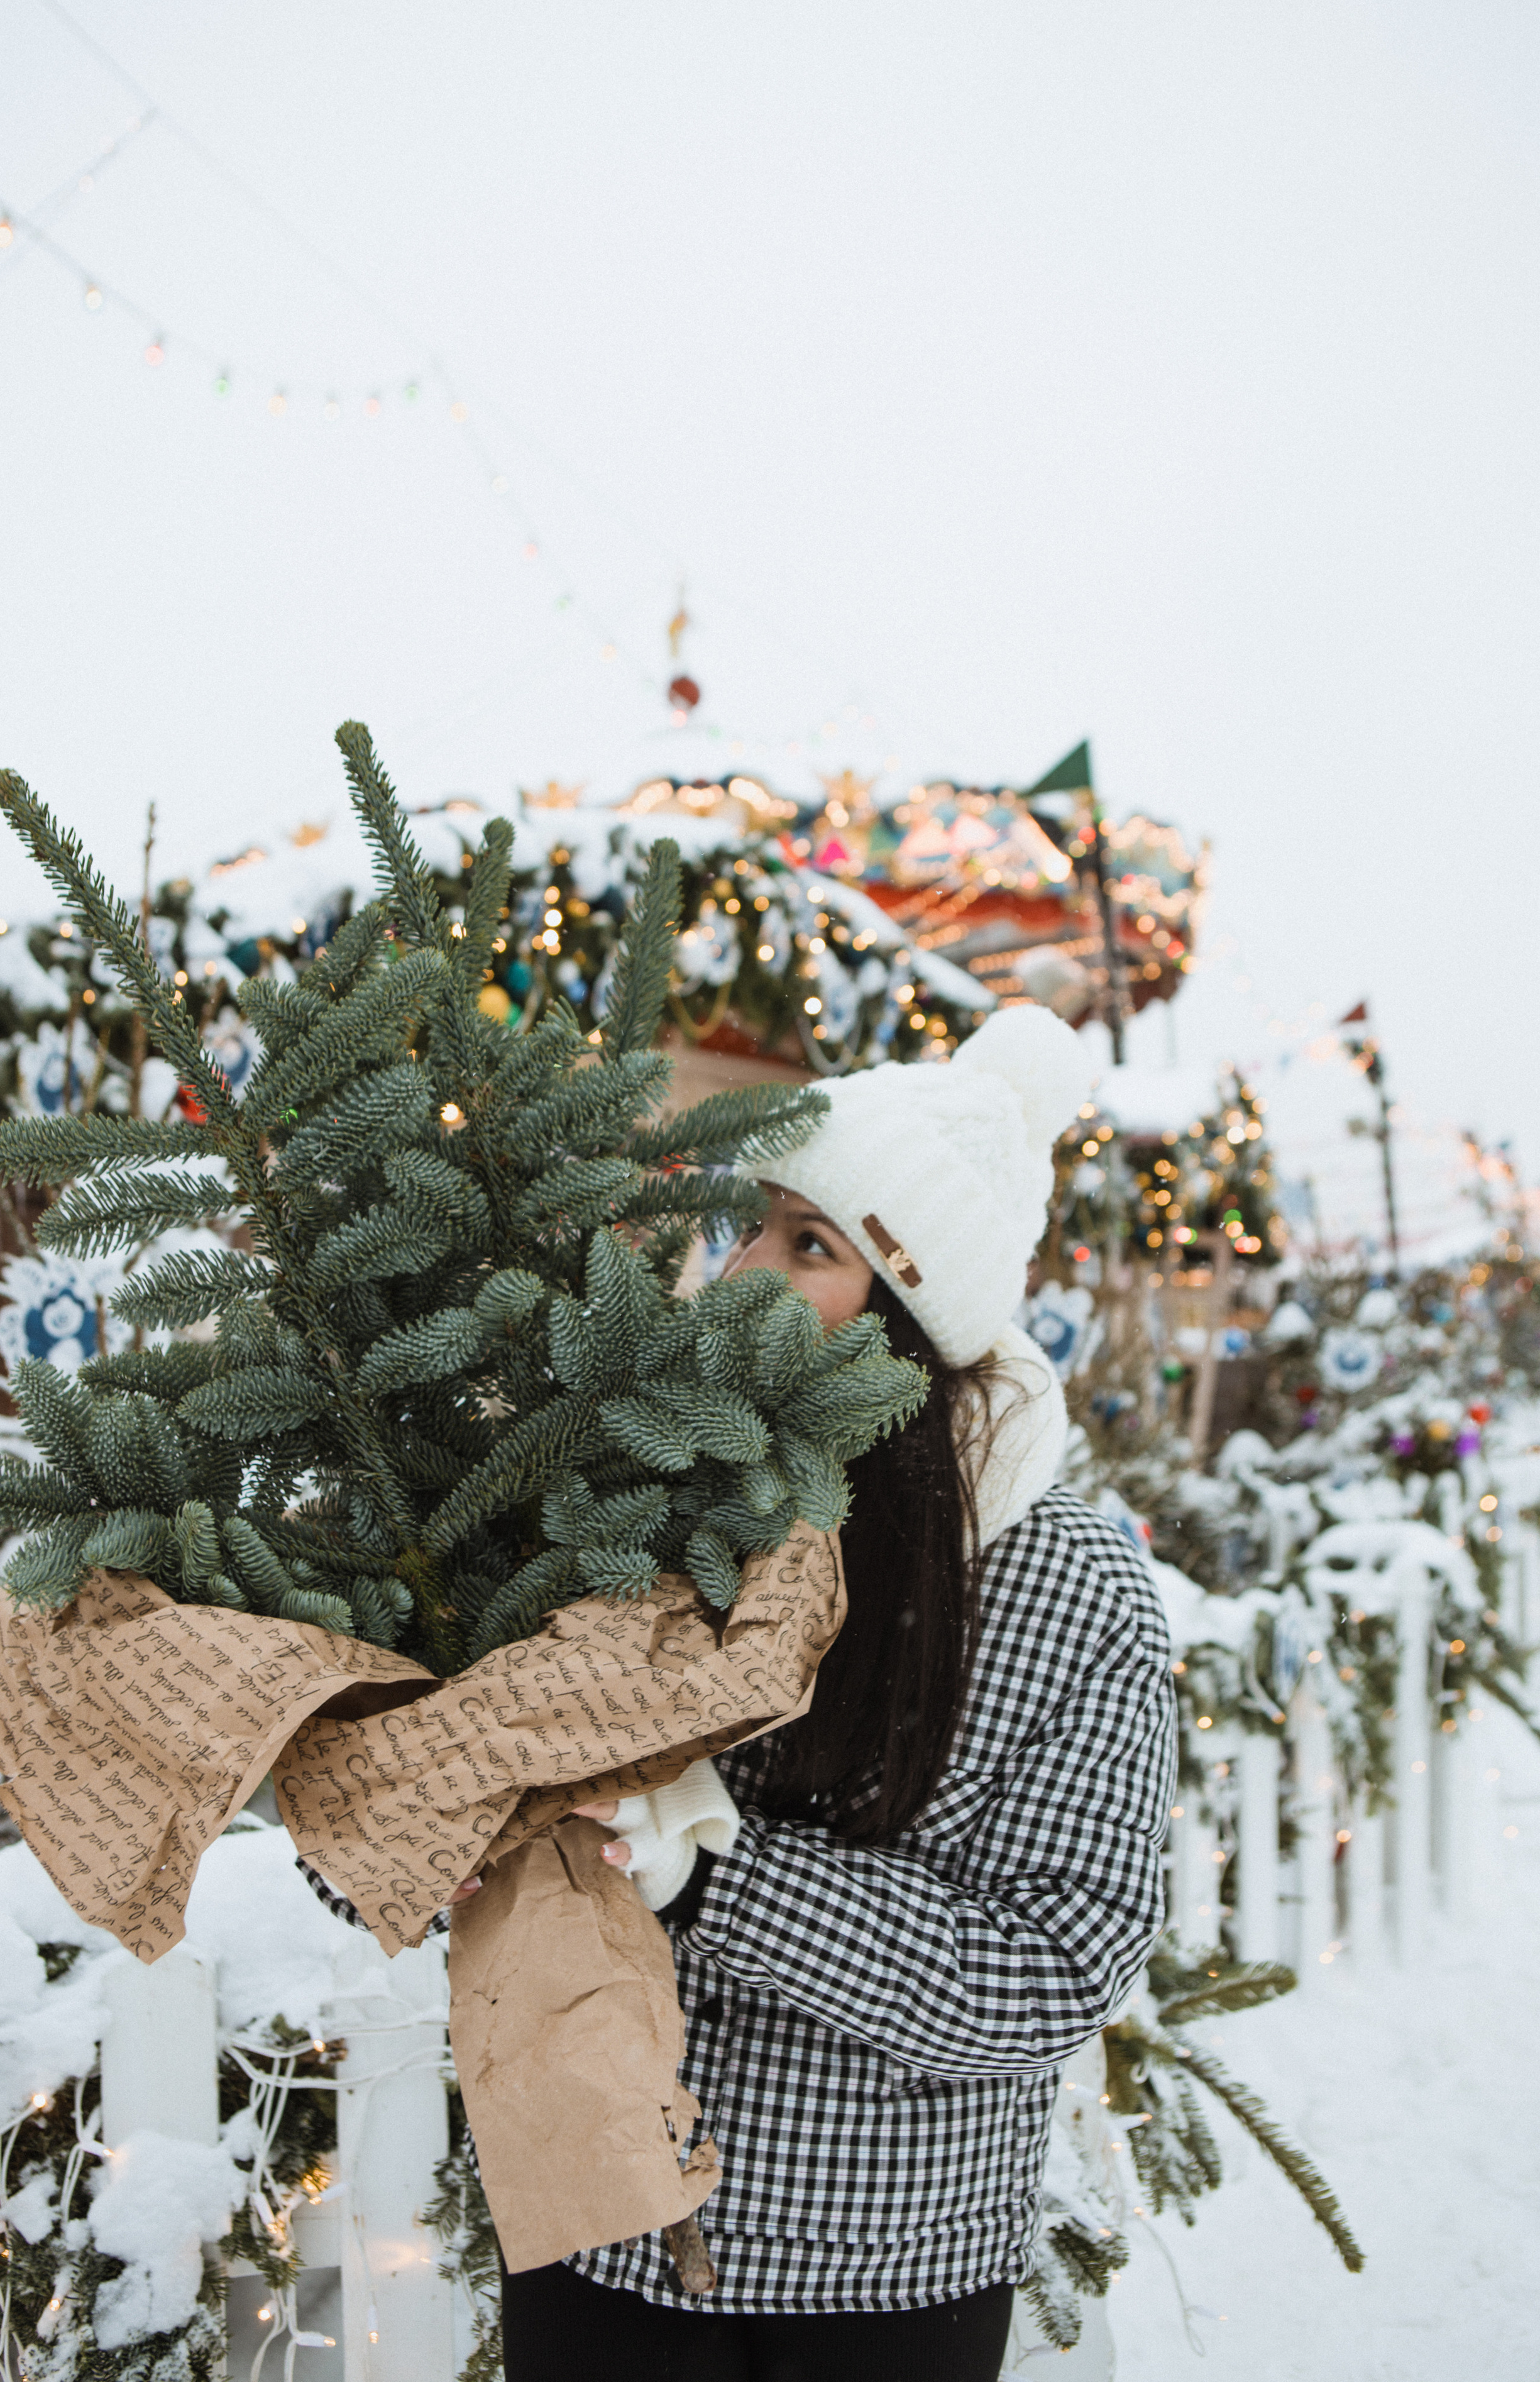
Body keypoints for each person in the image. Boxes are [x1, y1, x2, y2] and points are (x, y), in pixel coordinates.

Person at [499, 1003, 1179, 2382]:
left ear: (915, 1311)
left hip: (881, 2277)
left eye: (812, 1246)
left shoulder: (1061, 1589)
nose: (744, 1268)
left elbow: (1058, 1963)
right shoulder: (642, 1497)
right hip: (601, 2235)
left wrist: (716, 1877)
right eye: (752, 1224)